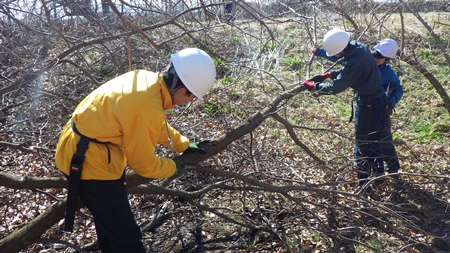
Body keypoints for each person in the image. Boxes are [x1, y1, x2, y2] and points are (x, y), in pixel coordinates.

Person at [55, 48, 216, 252]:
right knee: (127, 240)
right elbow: (143, 165)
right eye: (192, 98)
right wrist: (172, 167)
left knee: (111, 230)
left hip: (84, 147)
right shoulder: (147, 106)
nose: (189, 102)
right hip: (90, 163)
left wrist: (183, 144)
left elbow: (156, 125)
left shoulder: (147, 81)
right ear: (183, 90)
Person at [303, 28, 387, 192]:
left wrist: (315, 87)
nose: (335, 56)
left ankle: (366, 186)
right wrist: (329, 74)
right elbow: (350, 70)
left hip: (370, 104)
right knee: (373, 141)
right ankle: (379, 177)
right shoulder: (358, 48)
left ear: (341, 49)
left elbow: (337, 87)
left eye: (335, 53)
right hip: (374, 100)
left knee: (363, 144)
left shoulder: (355, 59)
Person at [311, 38, 403, 180]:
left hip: (381, 109)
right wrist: (320, 54)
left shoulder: (389, 74)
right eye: (375, 54)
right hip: (365, 106)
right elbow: (341, 58)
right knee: (363, 140)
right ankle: (366, 173)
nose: (376, 58)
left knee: (383, 139)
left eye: (380, 57)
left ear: (387, 59)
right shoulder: (364, 61)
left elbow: (398, 89)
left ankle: (392, 168)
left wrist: (390, 101)